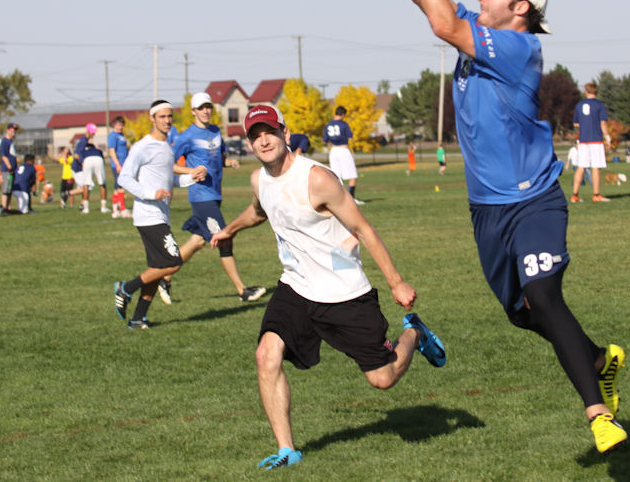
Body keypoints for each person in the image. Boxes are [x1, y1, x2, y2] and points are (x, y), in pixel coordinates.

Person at [378, 0, 627, 453]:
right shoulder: (478, 30)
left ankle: (598, 413)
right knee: (520, 313)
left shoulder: (518, 48)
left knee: (543, 295)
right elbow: (426, 1)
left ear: (520, 7)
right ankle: (597, 358)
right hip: (486, 210)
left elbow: (443, 25)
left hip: (533, 200)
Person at [211, 105, 446, 469]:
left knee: (382, 379)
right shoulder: (259, 179)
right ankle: (287, 450)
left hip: (343, 291)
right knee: (266, 356)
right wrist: (231, 229)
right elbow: (260, 210)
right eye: (256, 136)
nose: (264, 141)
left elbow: (363, 228)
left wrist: (396, 282)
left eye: (270, 132)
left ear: (285, 134)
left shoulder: (318, 179)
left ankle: (415, 333)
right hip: (296, 285)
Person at [166, 92, 265, 305]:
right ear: (193, 111)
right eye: (201, 107)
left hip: (215, 194)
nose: (206, 111)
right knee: (224, 239)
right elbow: (168, 164)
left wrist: (228, 162)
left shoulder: (215, 131)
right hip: (201, 196)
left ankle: (164, 277)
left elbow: (219, 157)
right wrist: (190, 171)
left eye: (208, 106)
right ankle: (242, 291)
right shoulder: (186, 136)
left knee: (197, 241)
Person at [113, 100, 196, 329]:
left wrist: (192, 178)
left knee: (158, 268)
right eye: (162, 116)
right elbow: (124, 178)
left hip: (161, 214)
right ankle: (125, 288)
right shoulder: (142, 147)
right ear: (152, 118)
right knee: (173, 262)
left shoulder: (167, 146)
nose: (167, 120)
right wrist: (151, 194)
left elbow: (169, 181)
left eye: (170, 116)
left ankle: (138, 318)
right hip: (148, 215)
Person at [571, 82, 611, 203]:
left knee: (581, 167)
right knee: (595, 167)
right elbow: (603, 123)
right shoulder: (600, 105)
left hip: (583, 140)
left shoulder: (579, 105)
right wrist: (607, 137)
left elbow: (576, 124)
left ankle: (574, 195)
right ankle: (596, 195)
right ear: (596, 92)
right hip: (596, 140)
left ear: (586, 91)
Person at [323, 106, 361, 203]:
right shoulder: (344, 124)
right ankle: (351, 199)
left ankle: (338, 200)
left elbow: (325, 140)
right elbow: (350, 138)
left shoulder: (328, 125)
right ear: (343, 114)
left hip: (333, 151)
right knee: (352, 175)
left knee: (336, 176)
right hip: (343, 150)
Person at [76, 123, 109, 213]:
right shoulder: (83, 141)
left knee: (86, 184)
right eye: (92, 132)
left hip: (88, 160)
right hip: (95, 159)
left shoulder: (86, 141)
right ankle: (103, 207)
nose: (94, 133)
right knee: (102, 183)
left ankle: (86, 208)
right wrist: (82, 163)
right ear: (87, 131)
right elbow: (77, 154)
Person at [107, 116, 131, 217]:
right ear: (114, 125)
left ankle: (115, 210)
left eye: (122, 125)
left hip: (124, 164)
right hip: (118, 165)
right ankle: (123, 210)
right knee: (121, 186)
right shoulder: (113, 136)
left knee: (117, 187)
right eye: (119, 125)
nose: (121, 127)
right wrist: (117, 164)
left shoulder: (122, 135)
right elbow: (111, 151)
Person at [0, 123, 19, 216]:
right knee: (6, 189)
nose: (13, 132)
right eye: (12, 130)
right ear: (7, 130)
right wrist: (9, 166)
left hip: (12, 169)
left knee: (10, 189)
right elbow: (4, 156)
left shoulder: (11, 141)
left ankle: (8, 208)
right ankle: (3, 207)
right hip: (7, 169)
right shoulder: (5, 141)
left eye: (14, 131)